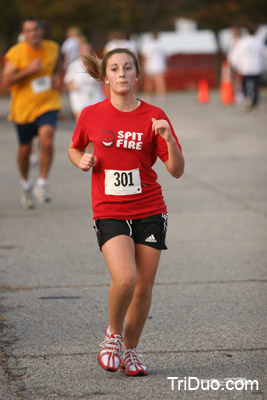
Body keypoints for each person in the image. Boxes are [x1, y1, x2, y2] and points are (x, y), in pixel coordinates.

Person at [68, 48, 184, 376]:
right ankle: (113, 334)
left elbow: (176, 170)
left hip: (149, 208)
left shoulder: (154, 115)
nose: (122, 73)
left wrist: (168, 140)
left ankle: (130, 351)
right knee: (126, 279)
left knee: (144, 287)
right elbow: (75, 147)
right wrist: (81, 161)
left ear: (137, 75)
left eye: (128, 68)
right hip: (110, 210)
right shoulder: (91, 114)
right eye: (115, 69)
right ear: (105, 77)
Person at [2, 17, 62, 208]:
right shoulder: (16, 53)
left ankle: (42, 183)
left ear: (40, 31)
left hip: (48, 103)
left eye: (36, 29)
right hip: (23, 110)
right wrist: (28, 70)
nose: (33, 33)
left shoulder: (52, 47)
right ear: (24, 33)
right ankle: (25, 183)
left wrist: (57, 78)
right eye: (29, 30)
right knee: (25, 150)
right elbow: (6, 81)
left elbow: (58, 67)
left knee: (47, 139)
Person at [64, 41, 104, 120]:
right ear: (79, 52)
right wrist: (72, 87)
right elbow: (67, 80)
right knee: (81, 119)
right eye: (84, 50)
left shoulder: (98, 63)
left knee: (96, 120)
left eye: (88, 50)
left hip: (95, 95)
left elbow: (105, 78)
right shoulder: (74, 65)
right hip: (79, 96)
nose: (87, 52)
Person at [231, 23, 265, 111]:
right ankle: (254, 102)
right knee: (256, 85)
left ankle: (247, 97)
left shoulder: (242, 42)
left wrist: (235, 64)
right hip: (257, 66)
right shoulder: (259, 42)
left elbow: (236, 55)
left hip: (245, 66)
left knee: (245, 84)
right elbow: (263, 55)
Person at [141, 30, 167, 104]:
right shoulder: (161, 45)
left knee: (149, 82)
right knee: (159, 82)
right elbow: (165, 56)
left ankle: (147, 96)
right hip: (159, 65)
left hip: (150, 65)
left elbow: (145, 57)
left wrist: (143, 66)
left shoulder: (147, 45)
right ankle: (161, 98)